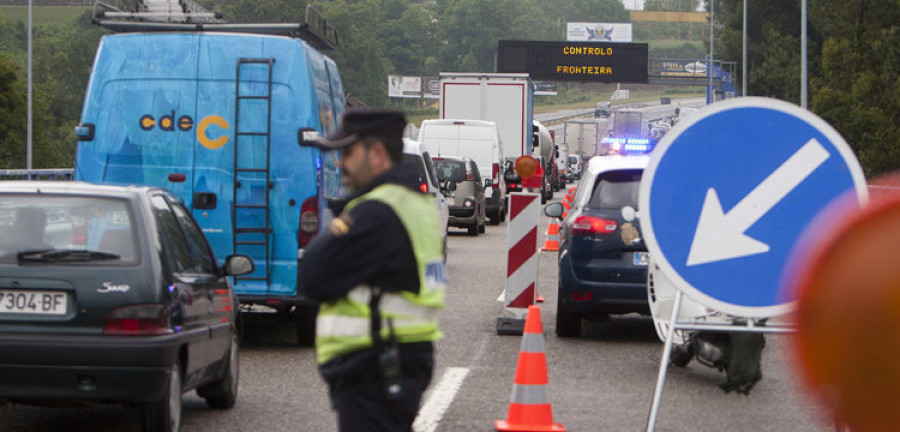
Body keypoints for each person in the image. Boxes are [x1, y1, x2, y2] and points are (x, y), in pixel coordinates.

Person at [298, 109, 446, 432]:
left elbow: (312, 274)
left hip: (375, 366)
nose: (340, 163)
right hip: (397, 359)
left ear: (377, 153)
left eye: (347, 152)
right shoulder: (413, 204)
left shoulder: (379, 211)